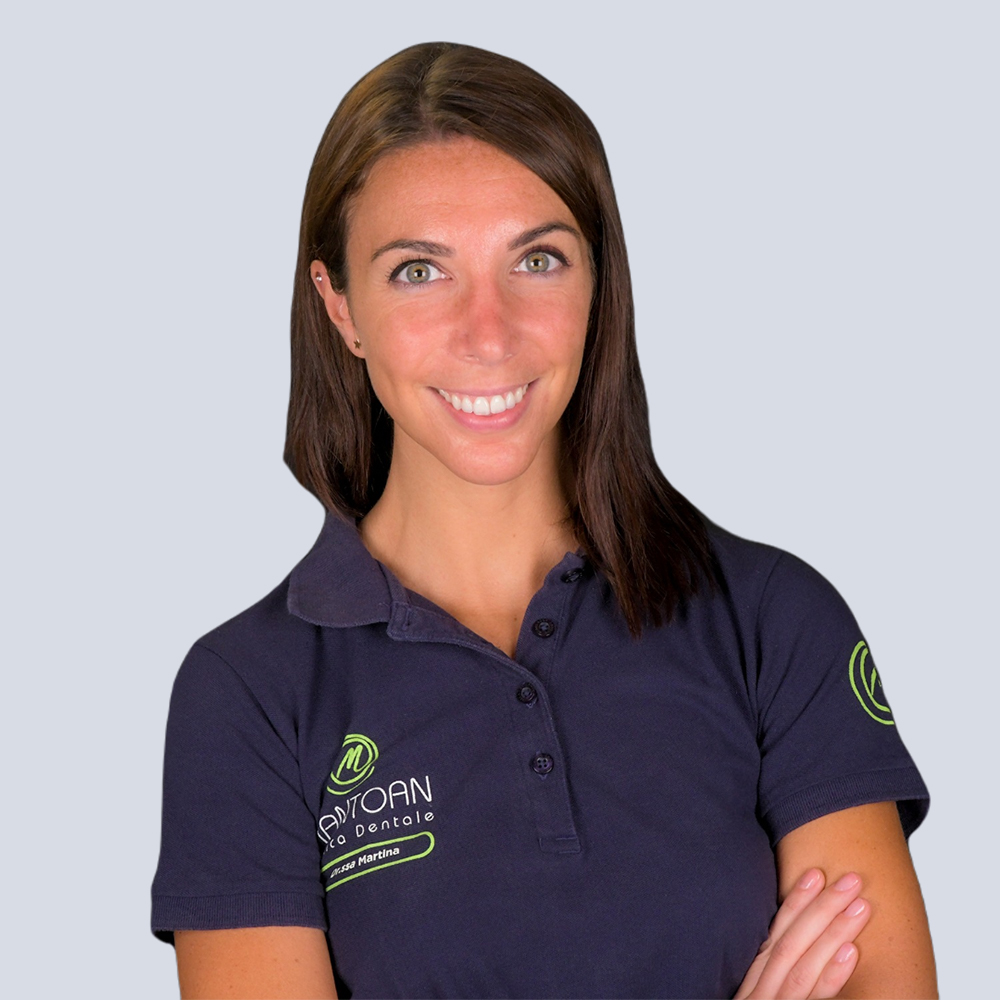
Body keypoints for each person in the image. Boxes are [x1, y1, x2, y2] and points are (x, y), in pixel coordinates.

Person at [151, 42, 936, 999]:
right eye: (418, 271)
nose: (489, 332)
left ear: (598, 283)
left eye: (537, 259)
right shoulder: (247, 694)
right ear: (340, 308)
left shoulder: (773, 621)